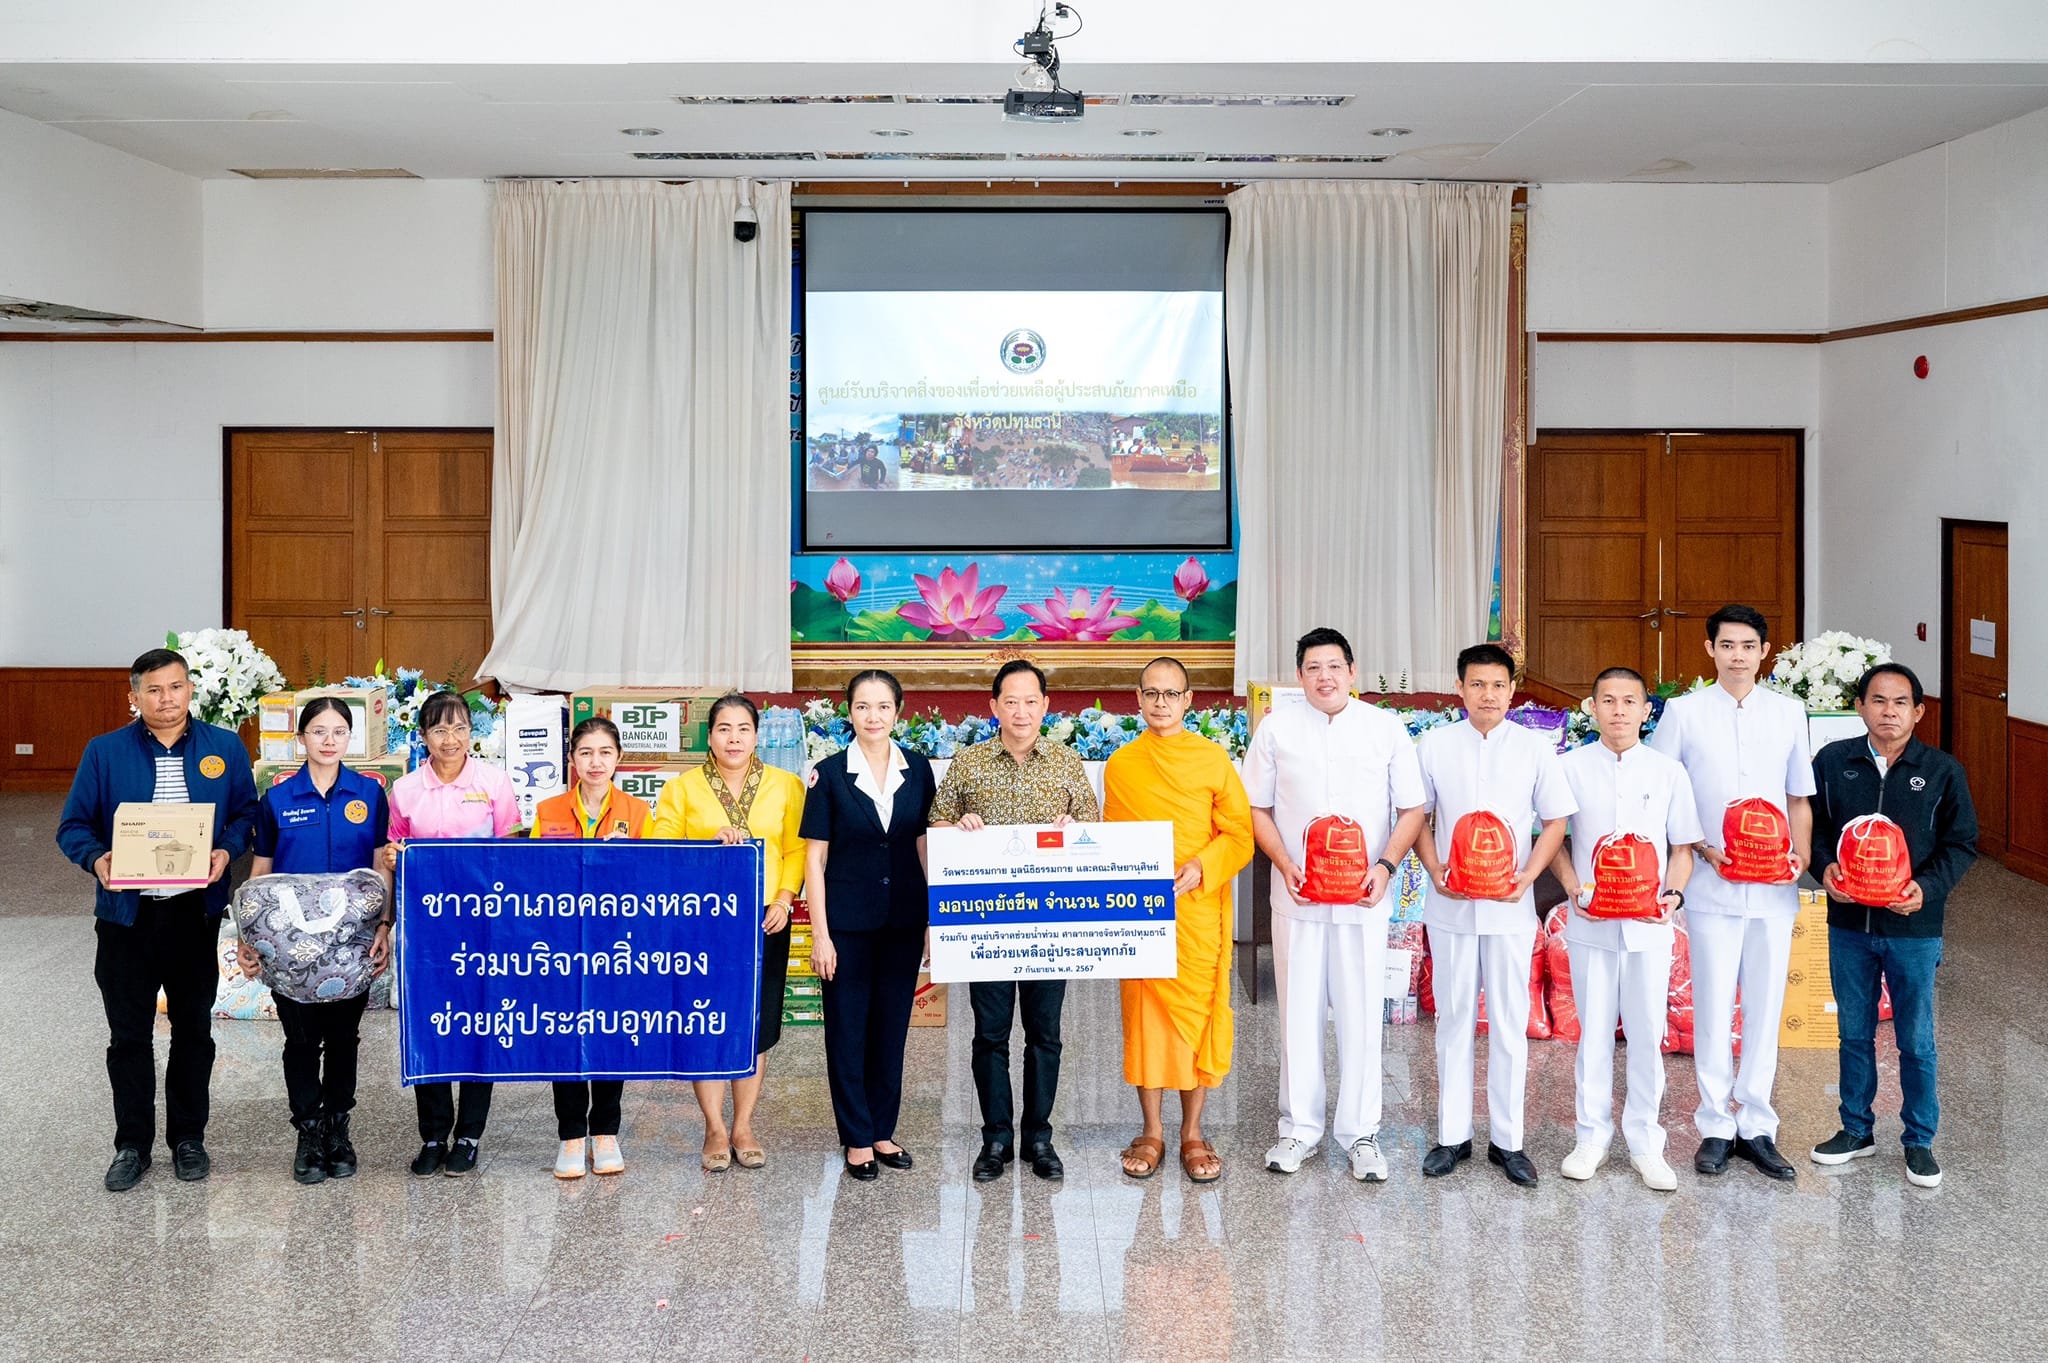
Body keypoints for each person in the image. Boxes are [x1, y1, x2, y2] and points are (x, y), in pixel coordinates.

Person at [57, 647, 257, 1191]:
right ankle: (131, 1145)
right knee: (129, 1036)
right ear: (134, 697)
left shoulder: (224, 747)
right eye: (153, 690)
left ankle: (188, 1139)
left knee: (194, 1030)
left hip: (195, 914)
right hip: (127, 919)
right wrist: (97, 859)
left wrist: (226, 850)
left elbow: (245, 814)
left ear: (191, 689)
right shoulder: (104, 752)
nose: (166, 699)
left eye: (175, 687)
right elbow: (73, 826)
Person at [1243, 627, 1425, 1183]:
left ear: (1353, 671)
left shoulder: (1384, 728)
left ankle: (1361, 1134)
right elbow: (1256, 807)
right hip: (1297, 895)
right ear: (1299, 676)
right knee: (1297, 1011)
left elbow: (1412, 809)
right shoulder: (1276, 729)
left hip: (1364, 898)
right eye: (1313, 668)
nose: (1325, 676)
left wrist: (1385, 865)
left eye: (1334, 666)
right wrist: (1282, 861)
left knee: (1361, 1011)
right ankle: (1298, 1130)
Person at [1649, 603, 1814, 1181]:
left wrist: (1803, 855)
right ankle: (1716, 1124)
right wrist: (1696, 847)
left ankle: (1759, 1125)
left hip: (1773, 888)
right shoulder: (1685, 713)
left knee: (1766, 1006)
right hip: (1712, 880)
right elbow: (1663, 788)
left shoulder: (1790, 713)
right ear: (1710, 649)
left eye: (1749, 645)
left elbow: (1799, 795)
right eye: (1728, 645)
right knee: (1715, 1004)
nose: (1738, 655)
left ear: (1764, 651)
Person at [1808, 662, 1978, 1189]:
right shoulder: (1834, 762)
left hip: (1914, 927)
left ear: (1918, 711)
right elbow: (1810, 828)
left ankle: (1919, 1140)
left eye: (1900, 702)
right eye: (1877, 701)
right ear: (1859, 707)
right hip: (1848, 924)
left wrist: (1925, 890)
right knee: (1853, 1032)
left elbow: (1962, 843)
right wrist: (1823, 868)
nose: (1888, 712)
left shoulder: (1943, 770)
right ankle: (1856, 1130)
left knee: (1916, 1039)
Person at [930, 658, 1100, 1184]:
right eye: (1011, 701)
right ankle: (996, 1137)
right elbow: (936, 825)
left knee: (1045, 1033)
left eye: (1031, 701)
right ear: (993, 707)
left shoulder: (1068, 763)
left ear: (1046, 706)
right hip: (988, 926)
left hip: (1051, 926)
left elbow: (1096, 832)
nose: (1021, 711)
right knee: (990, 1033)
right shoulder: (969, 762)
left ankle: (1040, 1136)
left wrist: (1076, 829)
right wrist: (958, 824)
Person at [1413, 643, 1575, 1187]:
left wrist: (1529, 876)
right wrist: (1435, 869)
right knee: (1454, 1019)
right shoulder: (1433, 745)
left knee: (1509, 1022)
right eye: (1477, 684)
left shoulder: (1534, 748)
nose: (1488, 694)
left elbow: (1554, 821)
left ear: (1512, 690)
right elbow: (1417, 816)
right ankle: (1451, 1136)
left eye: (1498, 685)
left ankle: (1509, 1142)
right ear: (1460, 689)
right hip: (1453, 905)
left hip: (1509, 908)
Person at [1103, 657, 1254, 1183]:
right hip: (1142, 915)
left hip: (1196, 908)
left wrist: (1201, 866)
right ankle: (1152, 1130)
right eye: (1151, 693)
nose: (1161, 703)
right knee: (1145, 1020)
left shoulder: (1213, 760)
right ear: (1138, 699)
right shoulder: (1122, 764)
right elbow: (1110, 845)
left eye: (1171, 694)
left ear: (1189, 700)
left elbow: (1239, 836)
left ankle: (1192, 1131)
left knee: (1196, 1019)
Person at [1550, 667, 1700, 1191]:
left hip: (1650, 926)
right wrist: (1572, 887)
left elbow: (1682, 850)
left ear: (1645, 710)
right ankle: (1590, 1138)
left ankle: (1645, 1142)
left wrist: (1673, 896)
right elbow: (1555, 843)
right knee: (1592, 1032)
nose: (1618, 710)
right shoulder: (1568, 767)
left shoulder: (1667, 772)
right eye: (1607, 700)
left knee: (1645, 1033)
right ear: (1592, 708)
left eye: (1629, 701)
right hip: (1590, 922)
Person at [235, 696, 393, 1185]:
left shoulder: (369, 794)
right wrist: (246, 936)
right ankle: (308, 1130)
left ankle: (339, 1129)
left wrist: (384, 925)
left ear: (351, 739)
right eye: (319, 731)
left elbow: (380, 867)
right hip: (289, 946)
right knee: (301, 1041)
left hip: (353, 944)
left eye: (339, 731)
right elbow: (260, 873)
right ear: (301, 738)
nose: (329, 741)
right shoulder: (277, 800)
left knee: (345, 1038)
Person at [649, 693, 805, 1173]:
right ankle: (714, 1126)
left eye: (743, 728)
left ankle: (744, 1126)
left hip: (764, 919)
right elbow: (661, 848)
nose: (734, 738)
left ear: (757, 735)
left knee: (754, 1025)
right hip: (703, 922)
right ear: (709, 736)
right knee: (706, 1020)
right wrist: (707, 839)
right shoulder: (684, 787)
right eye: (723, 729)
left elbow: (797, 850)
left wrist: (782, 898)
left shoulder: (786, 785)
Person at [800, 670, 936, 1180]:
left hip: (902, 920)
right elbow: (815, 860)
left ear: (898, 712)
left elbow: (924, 847)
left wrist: (932, 920)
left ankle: (883, 1130)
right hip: (847, 926)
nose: (873, 717)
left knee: (890, 1030)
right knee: (847, 1030)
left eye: (883, 707)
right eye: (862, 707)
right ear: (849, 713)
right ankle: (856, 1137)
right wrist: (821, 934)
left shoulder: (918, 769)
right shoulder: (829, 774)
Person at [383, 689, 520, 1177]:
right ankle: (434, 1134)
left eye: (460, 727)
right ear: (423, 736)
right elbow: (393, 853)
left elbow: (510, 856)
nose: (450, 739)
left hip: (483, 929)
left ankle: (469, 1134)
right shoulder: (405, 792)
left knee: (479, 1024)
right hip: (427, 933)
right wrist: (392, 857)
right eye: (439, 729)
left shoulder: (494, 783)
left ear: (471, 733)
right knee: (432, 1023)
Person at [528, 717, 654, 1179]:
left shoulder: (638, 813)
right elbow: (537, 877)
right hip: (562, 946)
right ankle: (569, 1136)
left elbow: (649, 880)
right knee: (565, 1035)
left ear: (618, 758)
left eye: (604, 752)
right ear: (572, 760)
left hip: (615, 946)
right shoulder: (548, 810)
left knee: (610, 1034)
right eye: (586, 753)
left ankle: (605, 1133)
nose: (595, 762)